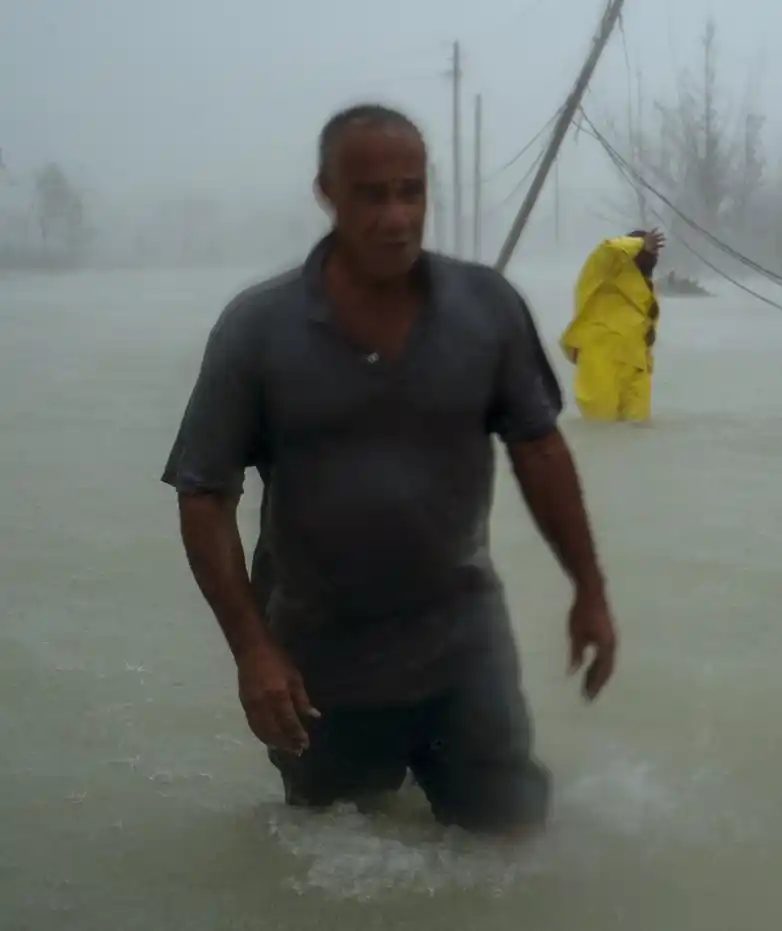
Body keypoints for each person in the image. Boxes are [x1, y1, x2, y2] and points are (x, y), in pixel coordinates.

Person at [162, 103, 618, 836]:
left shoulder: (486, 308)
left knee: (510, 848)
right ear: (327, 194)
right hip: (318, 661)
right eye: (371, 195)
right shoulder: (259, 329)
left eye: (411, 191)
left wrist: (589, 588)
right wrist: (252, 649)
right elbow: (204, 492)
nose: (396, 216)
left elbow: (539, 448)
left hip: (462, 644)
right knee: (336, 864)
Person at [560, 229, 666, 422]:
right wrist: (639, 243)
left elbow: (646, 328)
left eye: (654, 252)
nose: (653, 256)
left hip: (635, 365)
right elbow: (607, 248)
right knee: (601, 424)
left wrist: (647, 359)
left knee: (638, 428)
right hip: (600, 361)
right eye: (649, 251)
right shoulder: (604, 271)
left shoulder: (647, 287)